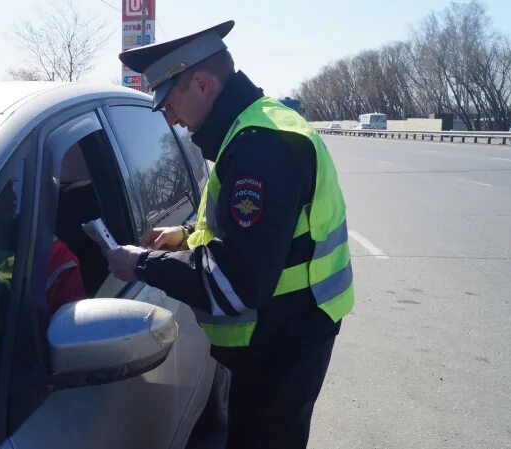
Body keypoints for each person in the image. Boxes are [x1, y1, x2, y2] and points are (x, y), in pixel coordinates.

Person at [104, 20, 355, 449]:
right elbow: (250, 230)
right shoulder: (255, 127)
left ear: (201, 84)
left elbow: (237, 282)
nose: (170, 118)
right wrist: (184, 236)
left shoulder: (260, 148)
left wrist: (140, 264)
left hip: (284, 342)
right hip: (287, 332)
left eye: (168, 102)